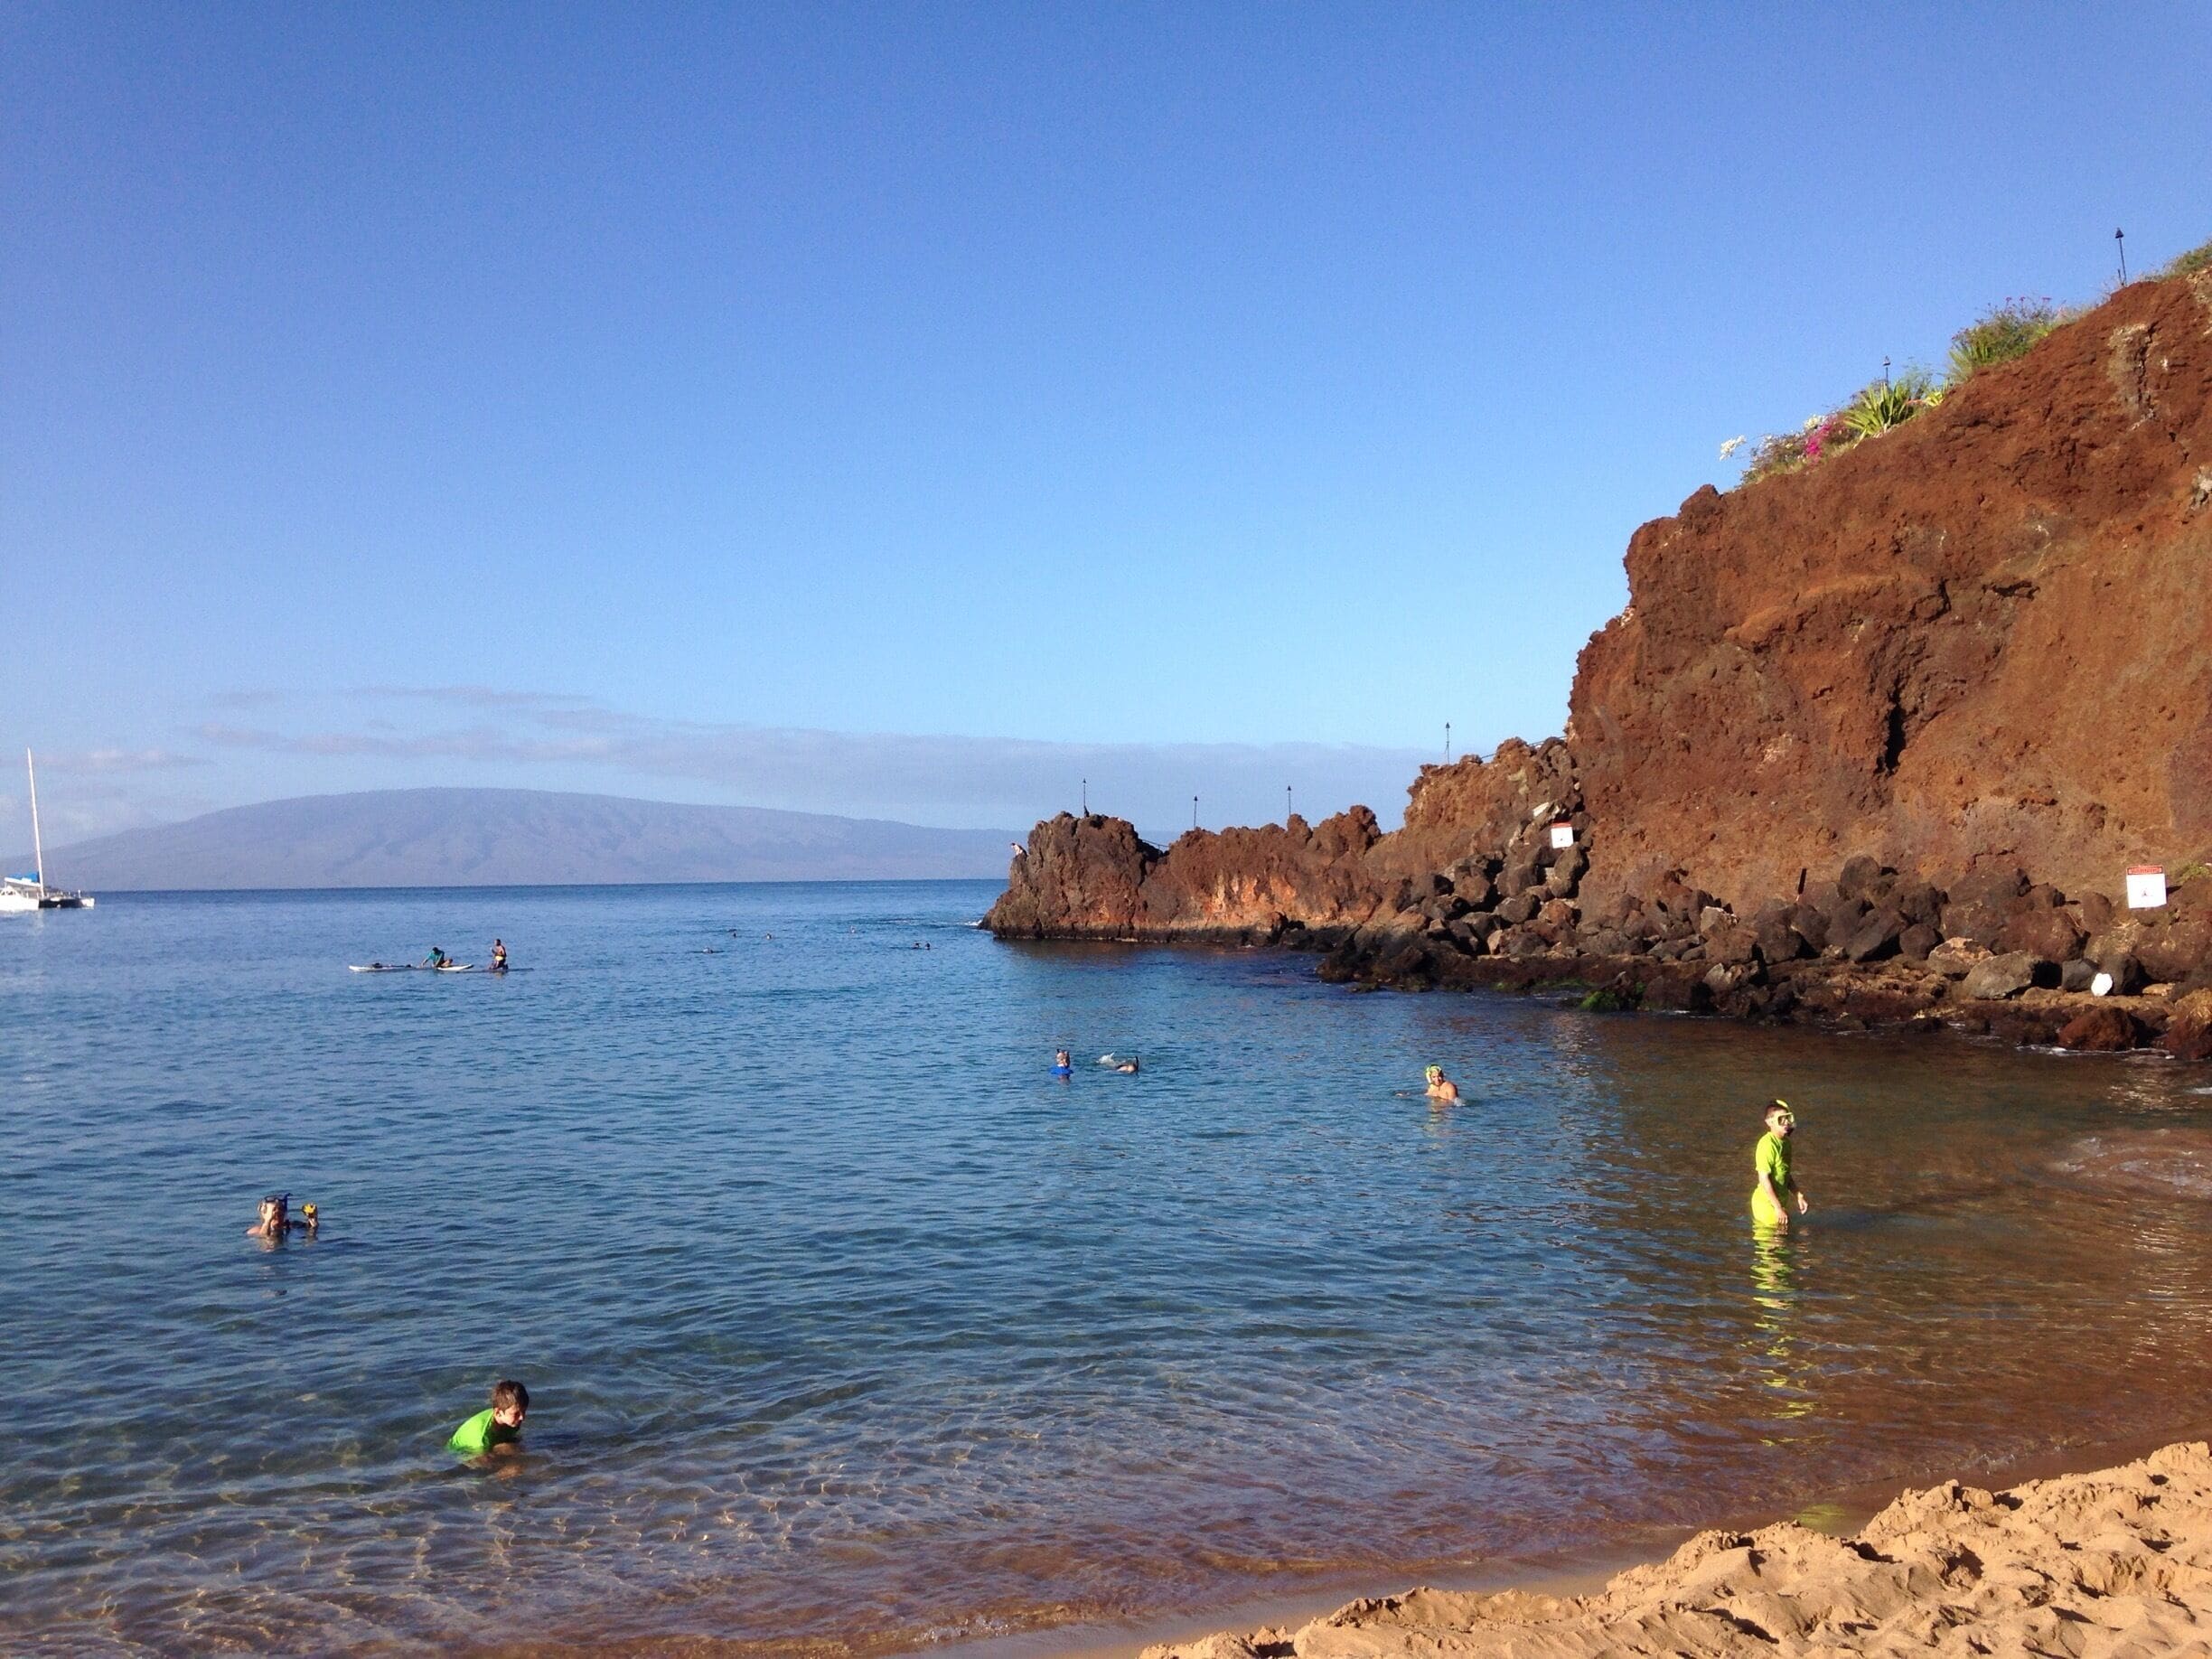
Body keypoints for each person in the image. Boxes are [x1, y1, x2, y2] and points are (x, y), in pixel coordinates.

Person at [1752, 1100, 1810, 1232]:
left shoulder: (1786, 1144)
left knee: (1785, 1245)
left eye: (1788, 1118)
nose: (1786, 1123)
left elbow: (1785, 1174)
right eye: (1781, 1119)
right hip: (1765, 1205)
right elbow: (1764, 1178)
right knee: (1777, 1241)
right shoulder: (1767, 1145)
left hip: (1778, 1203)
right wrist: (1777, 1208)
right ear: (1770, 1122)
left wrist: (1798, 1195)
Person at [448, 1379, 530, 1459]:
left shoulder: (511, 1419)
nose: (522, 1417)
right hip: (462, 1453)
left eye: (524, 1411)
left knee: (519, 1448)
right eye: (516, 1414)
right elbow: (484, 1464)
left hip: (492, 1441)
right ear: (498, 1413)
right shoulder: (482, 1438)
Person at [246, 1194, 317, 1240]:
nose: (278, 1212)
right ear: (264, 1214)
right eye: (274, 1210)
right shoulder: (255, 1231)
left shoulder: (293, 1226)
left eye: (281, 1209)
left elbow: (311, 1238)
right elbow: (263, 1239)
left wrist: (313, 1222)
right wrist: (268, 1221)